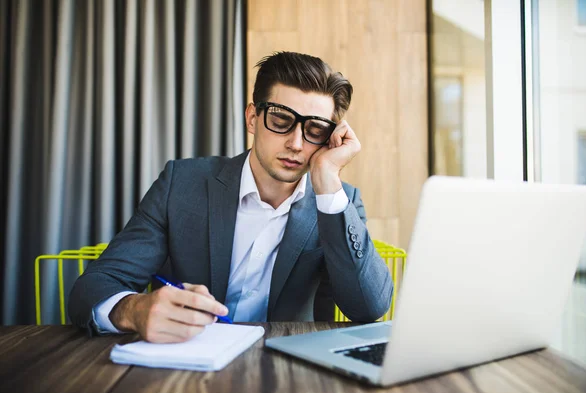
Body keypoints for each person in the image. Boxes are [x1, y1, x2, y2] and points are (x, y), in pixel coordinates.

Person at [68, 51, 393, 343]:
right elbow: (92, 288)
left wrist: (328, 184)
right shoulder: (181, 184)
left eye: (315, 130)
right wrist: (134, 309)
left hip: (290, 370)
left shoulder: (338, 202)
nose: (296, 143)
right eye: (280, 120)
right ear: (253, 117)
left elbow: (369, 308)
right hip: (188, 363)